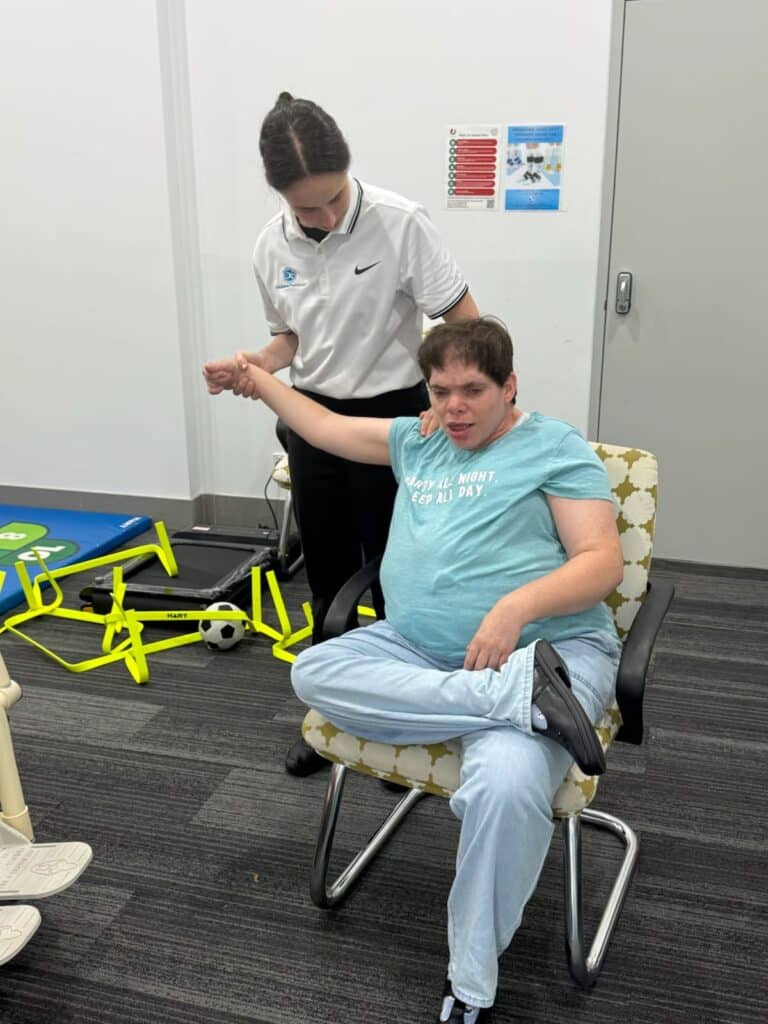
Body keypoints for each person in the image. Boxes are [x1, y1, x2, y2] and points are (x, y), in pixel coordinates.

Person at [212, 317, 624, 1022]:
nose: (456, 407)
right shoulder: (419, 439)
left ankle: (470, 986)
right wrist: (257, 380)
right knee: (314, 673)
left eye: (473, 390)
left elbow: (600, 562)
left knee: (507, 783)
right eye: (442, 392)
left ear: (510, 386)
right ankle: (511, 701)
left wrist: (515, 607)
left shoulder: (552, 445)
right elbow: (325, 428)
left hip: (548, 652)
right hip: (425, 652)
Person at [203, 92, 479, 778]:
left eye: (331, 201)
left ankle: (405, 719)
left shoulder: (399, 223)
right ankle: (333, 716)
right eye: (306, 209)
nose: (324, 218)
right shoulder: (271, 244)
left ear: (346, 172)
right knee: (326, 574)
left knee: (400, 574)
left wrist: (451, 404)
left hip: (397, 415)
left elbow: (462, 322)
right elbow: (292, 337)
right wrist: (256, 365)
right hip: (314, 420)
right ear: (282, 200)